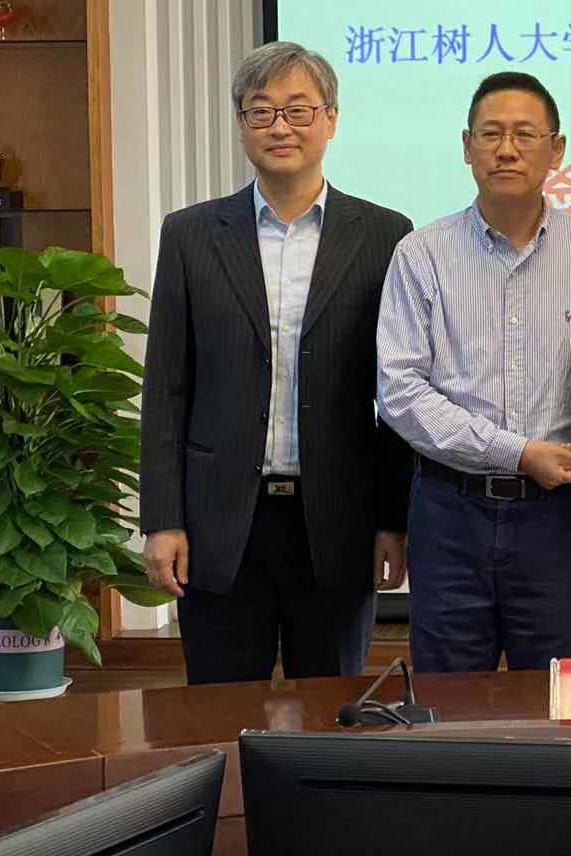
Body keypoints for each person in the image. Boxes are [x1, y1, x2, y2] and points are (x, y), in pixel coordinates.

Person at [139, 41, 413, 685]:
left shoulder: (385, 235)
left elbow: (398, 396)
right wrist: (162, 520)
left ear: (331, 119)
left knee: (333, 709)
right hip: (219, 520)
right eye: (260, 112)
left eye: (298, 110)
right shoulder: (190, 235)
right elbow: (167, 389)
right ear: (241, 125)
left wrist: (392, 521)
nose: (279, 127)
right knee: (216, 710)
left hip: (337, 520)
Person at [377, 71, 571, 673]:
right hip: (450, 512)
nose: (506, 149)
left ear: (556, 150)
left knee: (556, 697)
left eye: (524, 135)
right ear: (467, 147)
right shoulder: (422, 253)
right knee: (450, 700)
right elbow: (400, 392)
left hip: (558, 520)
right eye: (490, 134)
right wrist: (517, 452)